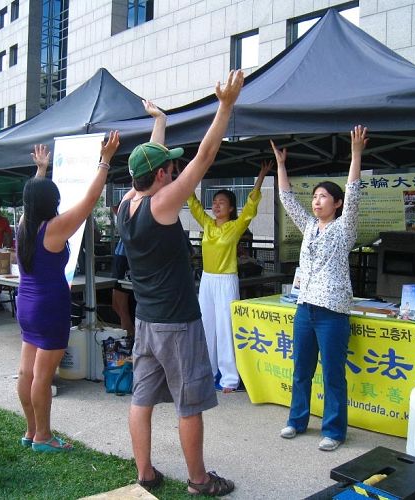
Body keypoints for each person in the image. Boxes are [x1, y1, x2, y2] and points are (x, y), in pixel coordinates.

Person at [117, 71, 243, 495]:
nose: (174, 171)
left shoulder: (126, 204)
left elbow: (148, 162)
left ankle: (146, 474)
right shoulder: (162, 203)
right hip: (177, 324)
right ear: (159, 177)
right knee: (190, 404)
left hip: (148, 323)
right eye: (169, 167)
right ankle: (199, 480)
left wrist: (160, 120)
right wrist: (225, 106)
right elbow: (204, 158)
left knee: (141, 399)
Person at [16, 131, 120, 452]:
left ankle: (31, 431)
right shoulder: (55, 228)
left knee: (26, 371)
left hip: (27, 305)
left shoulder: (23, 225)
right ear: (52, 203)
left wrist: (41, 172)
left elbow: (33, 198)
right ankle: (44, 438)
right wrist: (104, 161)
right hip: (49, 308)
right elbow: (89, 202)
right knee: (42, 377)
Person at [272, 125, 368, 452]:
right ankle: (297, 421)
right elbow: (287, 199)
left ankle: (334, 431)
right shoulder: (310, 226)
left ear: (337, 203)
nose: (316, 201)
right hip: (305, 309)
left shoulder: (345, 228)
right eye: (314, 196)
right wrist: (282, 166)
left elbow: (354, 192)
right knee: (301, 370)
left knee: (333, 376)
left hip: (332, 314)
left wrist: (356, 155)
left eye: (323, 196)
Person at [187, 161, 272, 392]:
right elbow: (192, 202)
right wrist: (185, 174)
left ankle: (229, 379)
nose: (216, 206)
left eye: (221, 203)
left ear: (231, 208)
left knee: (225, 328)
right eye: (214, 202)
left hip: (226, 281)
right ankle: (207, 371)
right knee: (206, 326)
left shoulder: (235, 227)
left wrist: (261, 177)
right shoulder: (207, 225)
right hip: (207, 280)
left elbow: (251, 207)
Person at [111, 236, 135, 341]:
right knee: (119, 306)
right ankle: (129, 338)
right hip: (124, 253)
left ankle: (130, 339)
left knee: (123, 308)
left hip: (129, 253)